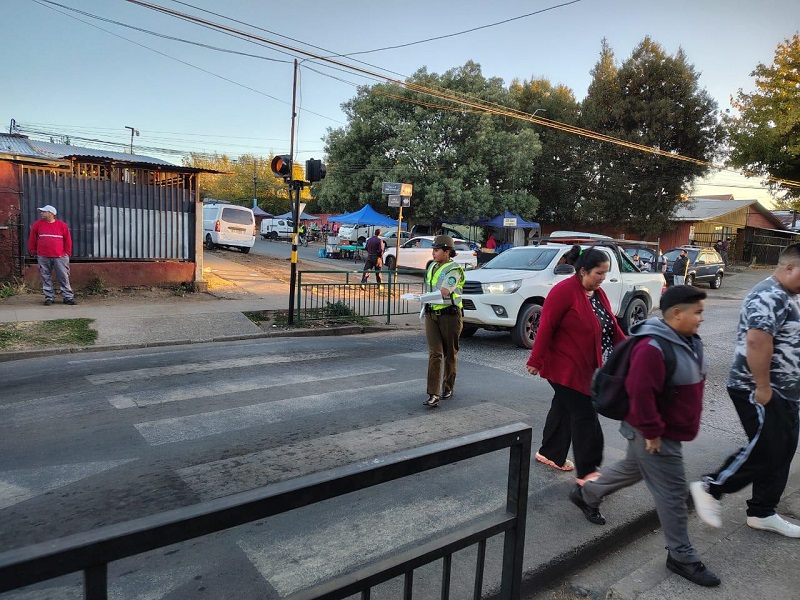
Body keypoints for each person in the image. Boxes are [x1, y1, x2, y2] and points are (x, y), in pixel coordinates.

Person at [569, 286, 721, 587]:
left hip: (660, 430)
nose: (702, 318)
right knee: (673, 495)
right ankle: (681, 555)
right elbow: (640, 393)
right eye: (698, 312)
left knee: (632, 468)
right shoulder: (652, 347)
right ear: (677, 313)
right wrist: (652, 433)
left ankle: (587, 494)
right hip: (655, 433)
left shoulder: (684, 338)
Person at [690, 243, 800, 538]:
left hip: (785, 392)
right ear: (789, 267)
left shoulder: (788, 295)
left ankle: (763, 512)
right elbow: (756, 341)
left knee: (782, 450)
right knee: (767, 449)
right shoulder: (769, 294)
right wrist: (763, 387)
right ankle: (711, 487)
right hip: (759, 388)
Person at [526, 248, 626, 483]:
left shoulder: (597, 293)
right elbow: (547, 327)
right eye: (599, 273)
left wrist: (632, 349)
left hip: (588, 366)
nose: (603, 278)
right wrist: (535, 360)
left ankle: (550, 453)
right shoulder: (563, 292)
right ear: (583, 271)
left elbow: (610, 326)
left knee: (562, 408)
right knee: (585, 417)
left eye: (605, 273)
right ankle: (588, 474)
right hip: (565, 368)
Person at [422, 235, 465, 407]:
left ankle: (448, 386)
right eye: (433, 250)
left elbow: (445, 292)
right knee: (435, 353)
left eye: (437, 250)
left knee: (449, 353)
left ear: (447, 252)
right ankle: (433, 393)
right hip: (431, 315)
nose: (433, 253)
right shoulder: (432, 266)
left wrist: (421, 298)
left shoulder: (454, 270)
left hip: (450, 315)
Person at [27, 204, 76, 306]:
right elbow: (32, 238)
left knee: (63, 276)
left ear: (51, 213)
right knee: (45, 276)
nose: (41, 213)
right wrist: (32, 250)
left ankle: (68, 297)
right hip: (43, 256)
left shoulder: (62, 225)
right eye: (41, 211)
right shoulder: (37, 224)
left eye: (44, 211)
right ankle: (49, 297)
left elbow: (68, 240)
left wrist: (67, 253)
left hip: (60, 256)